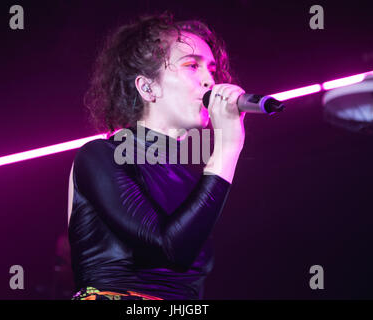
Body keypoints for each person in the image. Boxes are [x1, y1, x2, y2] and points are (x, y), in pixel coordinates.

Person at [67, 12, 246, 300]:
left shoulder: (197, 178)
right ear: (148, 87)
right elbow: (168, 248)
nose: (209, 81)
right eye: (192, 65)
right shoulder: (101, 156)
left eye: (212, 70)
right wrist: (228, 146)